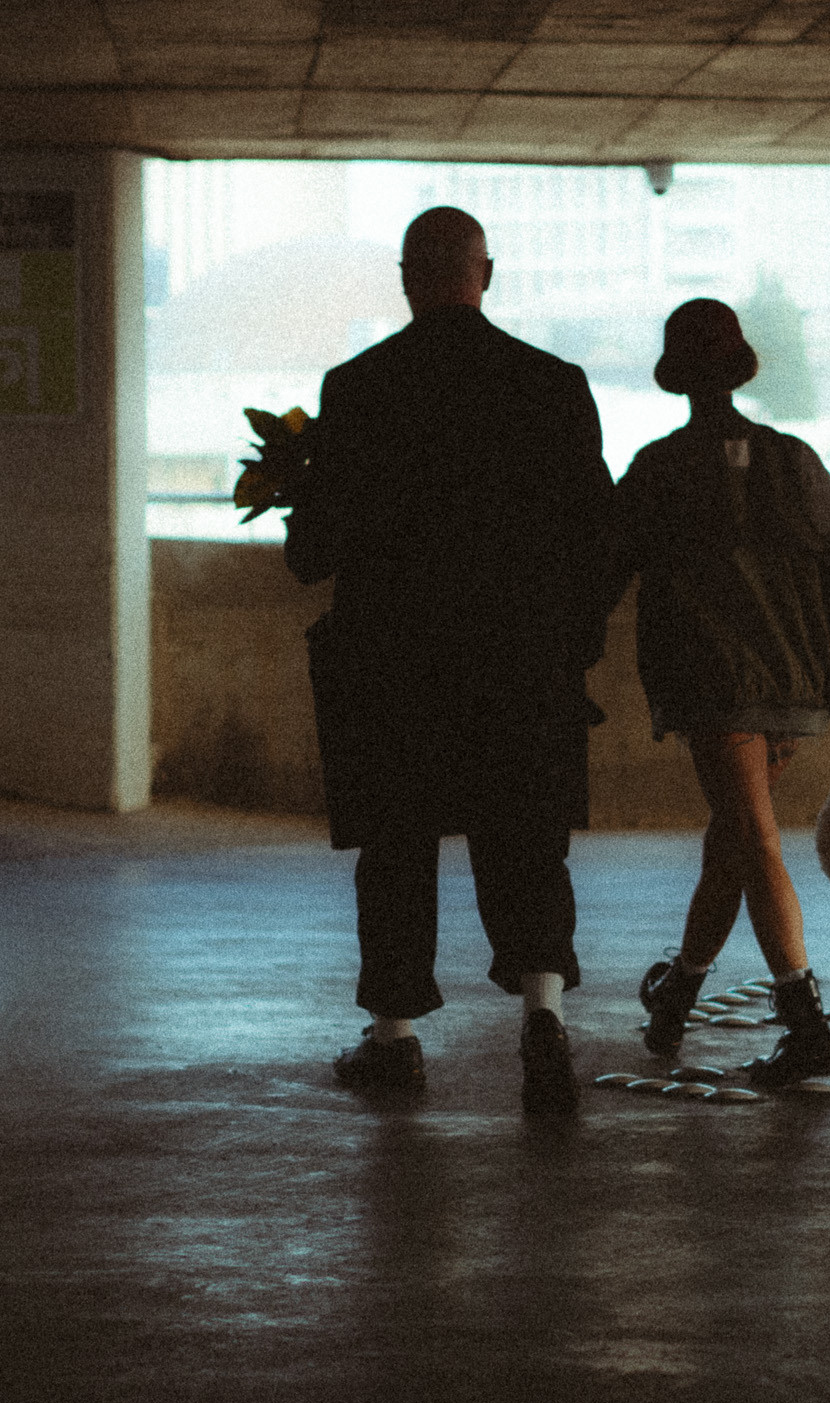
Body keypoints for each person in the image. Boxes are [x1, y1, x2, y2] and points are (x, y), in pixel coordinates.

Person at [284, 207, 618, 1115]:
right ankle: (543, 1016)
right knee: (528, 841)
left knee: (396, 847)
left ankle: (395, 1041)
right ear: (487, 273)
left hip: (395, 666)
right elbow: (599, 535)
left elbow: (315, 551)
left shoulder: (358, 387)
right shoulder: (553, 385)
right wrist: (572, 646)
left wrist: (295, 501)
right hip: (522, 663)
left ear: (406, 279)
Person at [611, 298, 830, 1087]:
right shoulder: (795, 460)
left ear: (678, 379)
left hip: (713, 686)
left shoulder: (658, 469)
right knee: (736, 839)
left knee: (753, 839)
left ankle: (806, 1026)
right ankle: (677, 995)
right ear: (740, 371)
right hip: (795, 688)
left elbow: (601, 572)